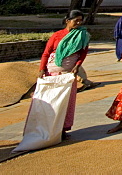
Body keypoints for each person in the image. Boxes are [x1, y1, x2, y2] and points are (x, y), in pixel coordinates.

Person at [39, 9, 91, 139]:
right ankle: (48, 128)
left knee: (66, 102)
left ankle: (62, 129)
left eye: (80, 20)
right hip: (52, 73)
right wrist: (41, 69)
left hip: (68, 74)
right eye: (76, 20)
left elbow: (83, 53)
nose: (78, 23)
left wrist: (77, 65)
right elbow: (46, 53)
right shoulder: (57, 35)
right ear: (67, 21)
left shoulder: (82, 35)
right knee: (51, 102)